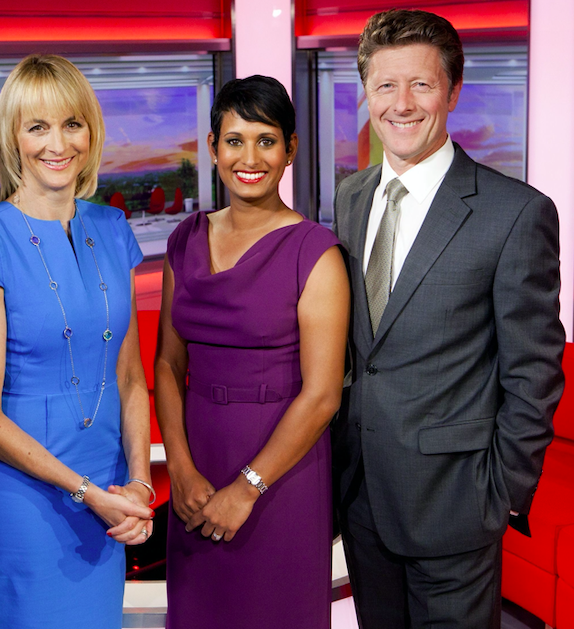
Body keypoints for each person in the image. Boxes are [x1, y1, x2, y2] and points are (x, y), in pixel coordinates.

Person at [332, 9, 566, 628]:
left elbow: (534, 371)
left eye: (422, 84)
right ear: (366, 94)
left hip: (458, 505)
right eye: (385, 86)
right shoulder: (352, 197)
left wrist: (500, 495)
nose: (401, 104)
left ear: (453, 91)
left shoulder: (516, 213)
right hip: (362, 497)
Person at [0, 54, 153, 629]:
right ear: (13, 138)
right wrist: (90, 494)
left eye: (72, 124)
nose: (57, 143)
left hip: (109, 488)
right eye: (37, 127)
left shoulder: (112, 228)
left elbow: (130, 378)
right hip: (23, 502)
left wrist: (138, 483)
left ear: (91, 131)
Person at [155, 75, 350, 629]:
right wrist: (183, 469)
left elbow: (322, 395)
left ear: (290, 149)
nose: (250, 156)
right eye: (234, 140)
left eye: (266, 140)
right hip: (199, 457)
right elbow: (169, 363)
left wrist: (248, 488)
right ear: (213, 148)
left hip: (280, 469)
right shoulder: (184, 239)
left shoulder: (315, 252)